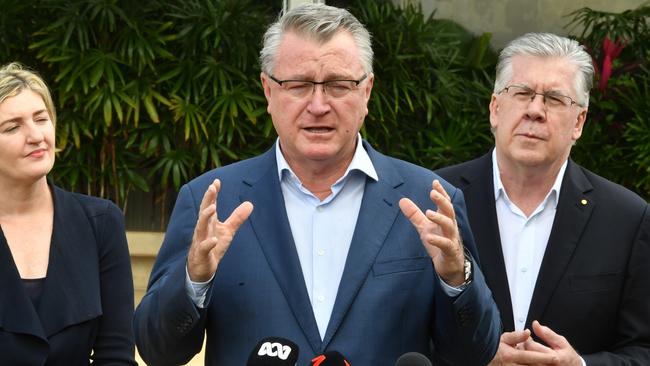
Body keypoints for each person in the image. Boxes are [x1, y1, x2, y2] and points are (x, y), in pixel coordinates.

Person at [134, 4, 500, 365]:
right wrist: (194, 281)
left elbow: (476, 353)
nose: (318, 105)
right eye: (298, 85)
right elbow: (159, 351)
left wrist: (457, 279)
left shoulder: (429, 200)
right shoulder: (212, 201)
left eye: (339, 85)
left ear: (367, 92)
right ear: (268, 91)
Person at [437, 32, 650, 365]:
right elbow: (401, 333)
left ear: (579, 121)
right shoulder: (437, 199)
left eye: (553, 98)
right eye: (521, 93)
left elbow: (643, 349)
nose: (534, 110)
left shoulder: (626, 218)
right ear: (495, 108)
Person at [0, 62, 136, 365]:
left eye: (41, 119)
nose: (36, 136)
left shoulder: (100, 223)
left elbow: (115, 354)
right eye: (13, 127)